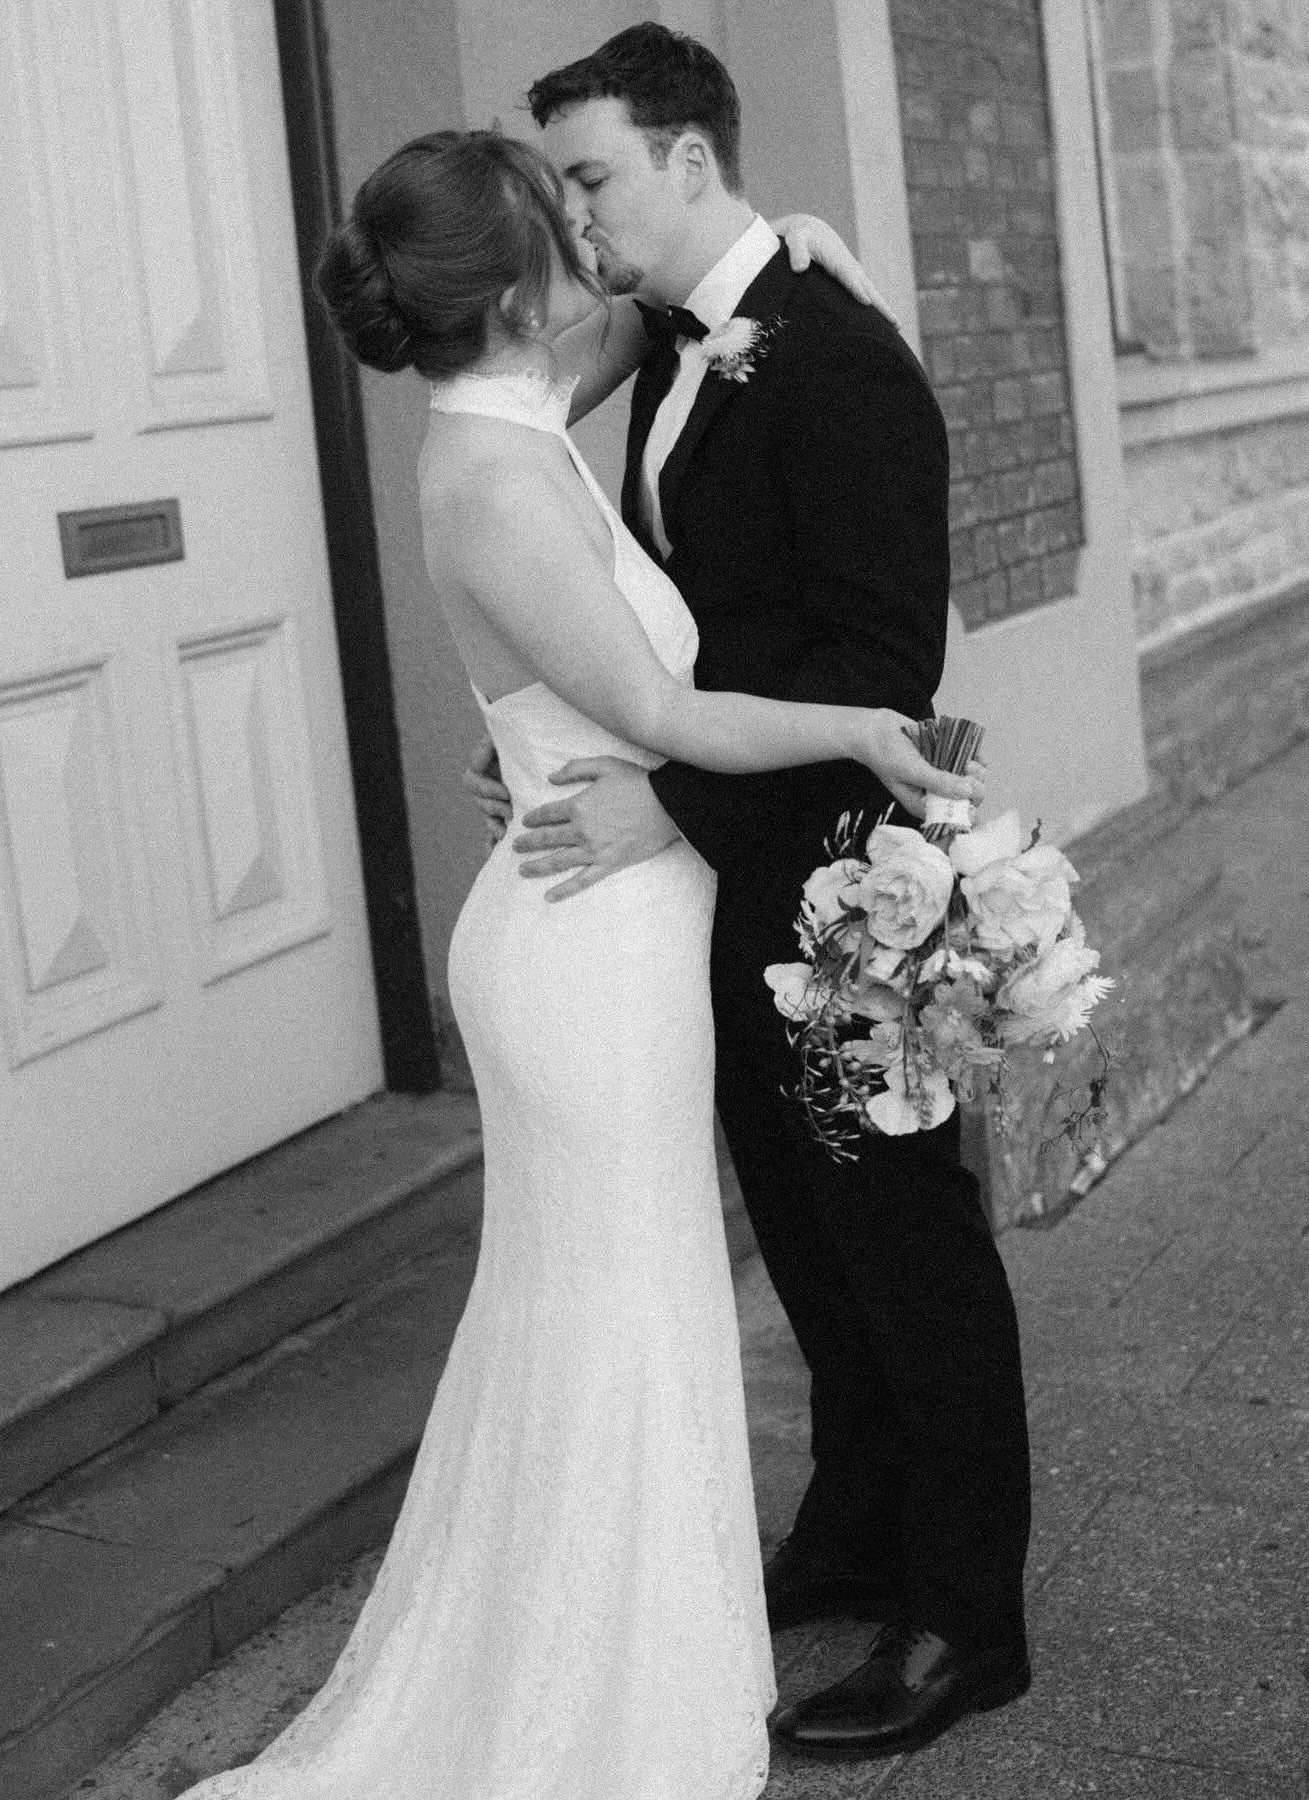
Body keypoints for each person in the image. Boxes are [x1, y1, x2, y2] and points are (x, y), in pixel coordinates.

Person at [172, 126, 974, 1800]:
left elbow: (656, 324)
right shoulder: (484, 475)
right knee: (616, 1310)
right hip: (583, 951)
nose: (593, 234)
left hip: (604, 913)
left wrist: (790, 236)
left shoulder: (513, 405)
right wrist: (869, 731)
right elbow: (666, 715)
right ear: (519, 272)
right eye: (568, 212)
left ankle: (626, 1628)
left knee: (616, 1302)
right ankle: (589, 1688)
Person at [467, 22, 1035, 1764]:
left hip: (841, 898)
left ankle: (965, 1615)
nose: (574, 221)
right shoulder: (696, 335)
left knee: (909, 1252)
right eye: (560, 184)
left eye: (591, 180)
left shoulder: (843, 368)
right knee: (808, 1241)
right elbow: (693, 617)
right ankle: (858, 1532)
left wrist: (664, 797)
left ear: (692, 160)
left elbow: (881, 657)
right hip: (736, 888)